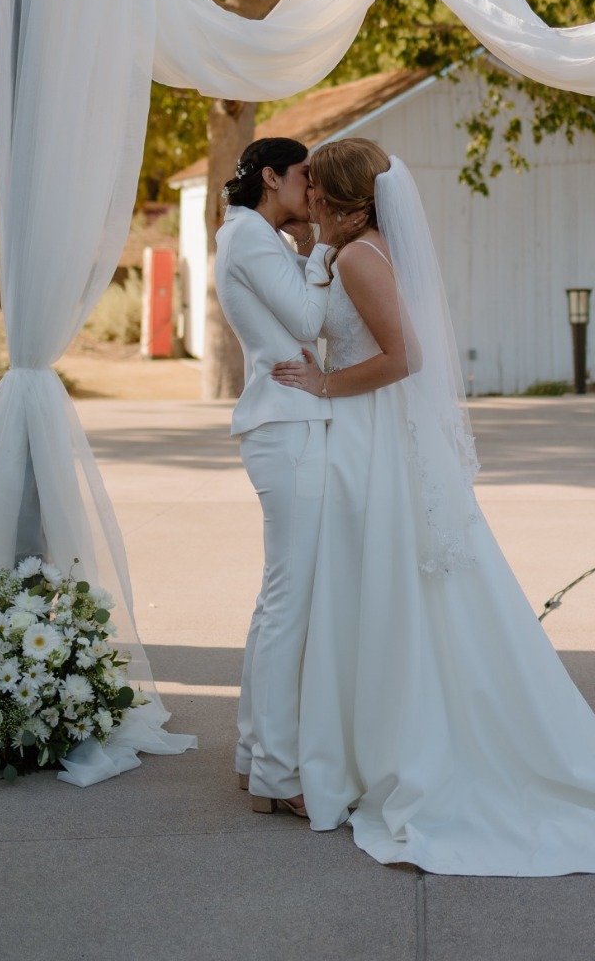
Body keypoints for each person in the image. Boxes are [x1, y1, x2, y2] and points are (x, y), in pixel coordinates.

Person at [271, 136, 595, 877]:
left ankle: (389, 753)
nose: (306, 196)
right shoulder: (361, 246)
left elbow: (405, 355)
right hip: (375, 439)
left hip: (377, 437)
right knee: (393, 594)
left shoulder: (357, 257)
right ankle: (367, 745)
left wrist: (324, 385)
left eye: (316, 187)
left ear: (344, 198)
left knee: (390, 592)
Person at [214, 136, 361, 816]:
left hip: (288, 426)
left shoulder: (254, 235)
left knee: (278, 602)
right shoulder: (248, 238)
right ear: (271, 177)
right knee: (289, 605)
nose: (314, 192)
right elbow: (308, 321)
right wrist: (324, 247)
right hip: (287, 428)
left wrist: (304, 247)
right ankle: (278, 772)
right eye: (305, 178)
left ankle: (255, 755)